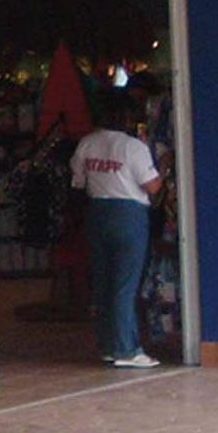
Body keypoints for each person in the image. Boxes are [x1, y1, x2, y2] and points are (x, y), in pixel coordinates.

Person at [69, 97, 164, 369]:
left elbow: (78, 181)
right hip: (129, 216)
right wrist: (165, 169)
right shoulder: (133, 147)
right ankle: (127, 349)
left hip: (97, 213)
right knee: (125, 285)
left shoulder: (87, 143)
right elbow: (152, 186)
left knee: (104, 283)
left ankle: (108, 345)